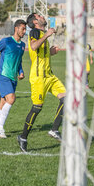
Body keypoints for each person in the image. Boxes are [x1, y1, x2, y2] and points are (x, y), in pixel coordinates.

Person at [17, 13, 66, 152]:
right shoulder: (34, 32)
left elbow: (40, 52)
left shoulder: (42, 33)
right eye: (39, 16)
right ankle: (23, 137)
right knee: (37, 108)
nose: (43, 16)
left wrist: (51, 51)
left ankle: (54, 130)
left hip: (49, 75)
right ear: (35, 21)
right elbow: (33, 47)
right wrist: (47, 35)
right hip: (38, 77)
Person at [0, 19, 26, 139]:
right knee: (11, 99)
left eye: (25, 29)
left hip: (13, 78)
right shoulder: (6, 41)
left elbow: (19, 61)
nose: (24, 31)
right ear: (16, 28)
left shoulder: (22, 45)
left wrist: (21, 72)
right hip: (3, 76)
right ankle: (0, 128)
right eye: (23, 29)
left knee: (2, 105)